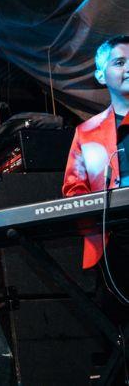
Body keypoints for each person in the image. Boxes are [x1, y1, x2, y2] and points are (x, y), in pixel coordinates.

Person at [62, 36, 129, 320]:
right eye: (119, 62)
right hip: (113, 244)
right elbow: (73, 189)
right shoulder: (87, 131)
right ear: (101, 75)